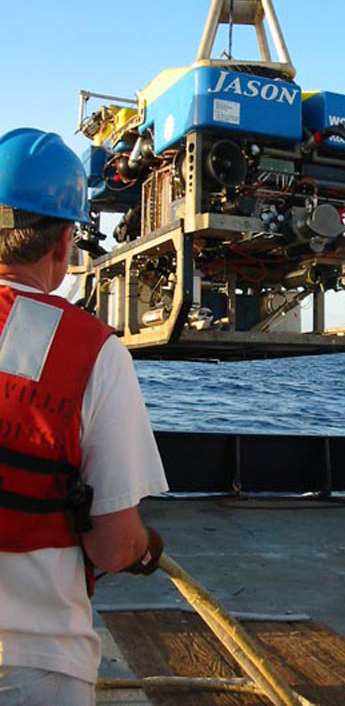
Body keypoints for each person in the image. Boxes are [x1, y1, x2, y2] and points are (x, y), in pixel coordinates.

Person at [0, 128, 169, 705]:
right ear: (64, 242)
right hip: (32, 663)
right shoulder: (93, 352)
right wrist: (147, 547)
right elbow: (112, 547)